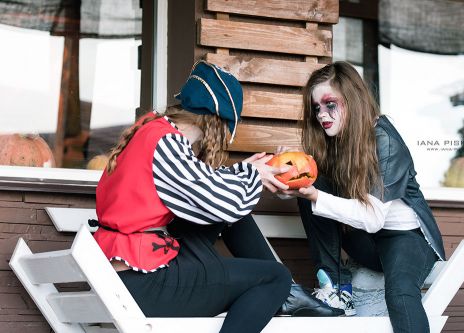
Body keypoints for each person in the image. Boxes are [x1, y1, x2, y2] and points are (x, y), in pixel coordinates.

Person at [90, 60, 335, 333]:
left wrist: (247, 172)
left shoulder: (153, 129)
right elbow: (219, 201)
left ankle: (288, 294)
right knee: (273, 278)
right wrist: (253, 176)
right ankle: (285, 290)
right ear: (216, 121)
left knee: (233, 215)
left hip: (129, 273)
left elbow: (207, 188)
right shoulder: (166, 143)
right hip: (143, 285)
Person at [278, 61, 445, 333]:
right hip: (368, 243)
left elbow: (372, 219)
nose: (322, 115)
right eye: (316, 108)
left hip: (407, 239)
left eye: (330, 104)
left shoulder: (385, 141)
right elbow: (314, 196)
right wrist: (286, 175)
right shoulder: (336, 141)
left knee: (401, 293)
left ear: (352, 100)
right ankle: (335, 289)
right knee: (310, 175)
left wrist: (313, 193)